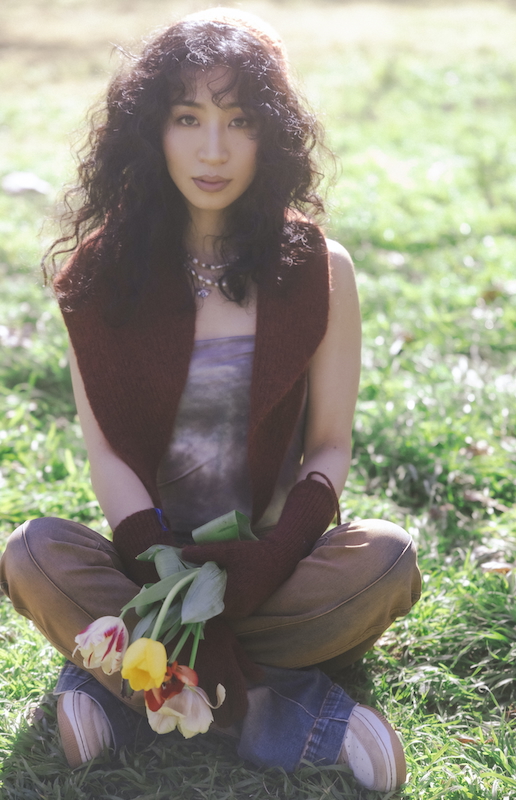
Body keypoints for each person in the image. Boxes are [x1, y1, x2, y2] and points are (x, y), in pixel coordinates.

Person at [0, 7, 421, 792]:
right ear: (150, 130)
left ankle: (128, 680)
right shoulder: (101, 274)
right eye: (188, 118)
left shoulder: (320, 268)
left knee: (388, 560)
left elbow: (330, 445)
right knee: (31, 555)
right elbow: (108, 455)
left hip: (275, 565)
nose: (214, 150)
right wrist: (161, 568)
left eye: (240, 120)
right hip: (149, 567)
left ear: (274, 134)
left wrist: (267, 561)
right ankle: (280, 709)